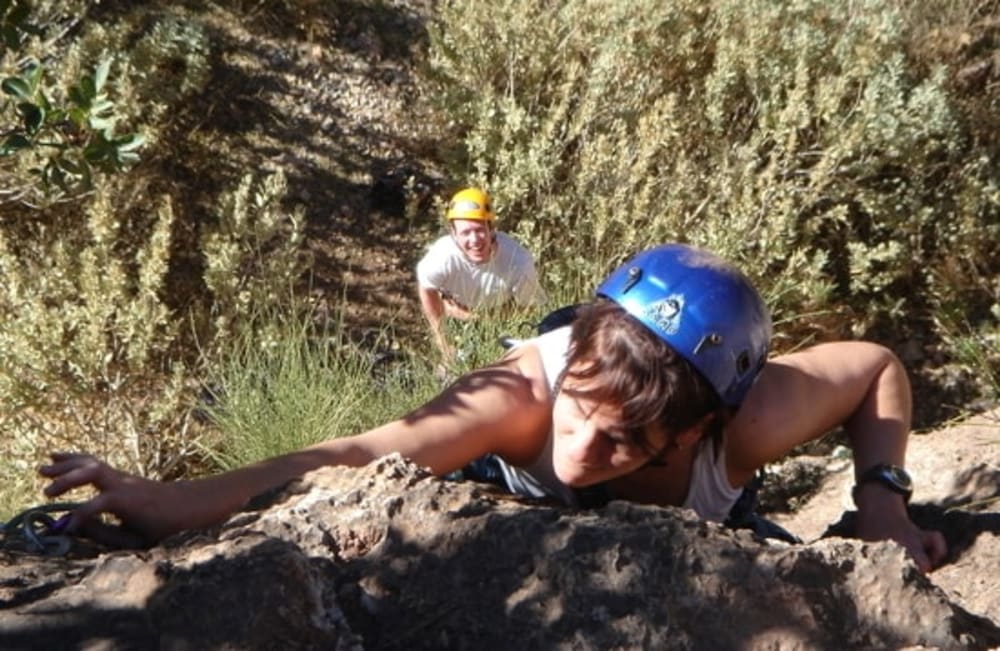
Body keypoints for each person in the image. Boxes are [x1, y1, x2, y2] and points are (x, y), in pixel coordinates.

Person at [39, 243, 948, 572]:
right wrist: (162, 501)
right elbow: (352, 453)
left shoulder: (742, 421)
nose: (583, 448)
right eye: (582, 409)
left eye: (628, 441)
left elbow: (875, 367)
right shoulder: (521, 396)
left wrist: (882, 507)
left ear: (698, 427)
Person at [416, 187, 546, 361]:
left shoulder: (518, 261)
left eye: (479, 230)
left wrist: (478, 318)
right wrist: (442, 342)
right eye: (465, 233)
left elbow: (530, 306)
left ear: (491, 228)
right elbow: (426, 287)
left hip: (503, 322)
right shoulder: (441, 257)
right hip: (456, 323)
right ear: (453, 235)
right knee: (450, 376)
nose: (474, 240)